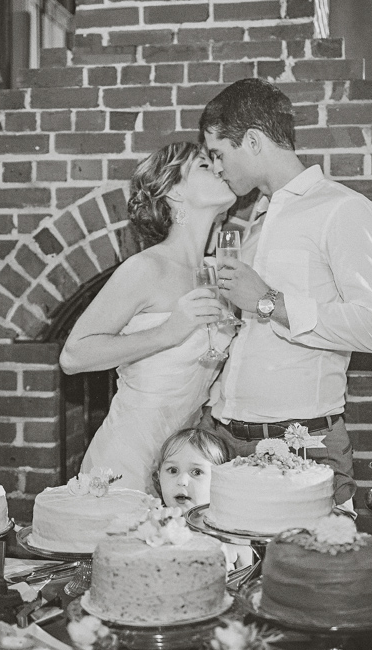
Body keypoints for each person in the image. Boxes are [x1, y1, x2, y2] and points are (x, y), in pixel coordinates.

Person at [198, 78, 372, 510]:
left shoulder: (343, 210)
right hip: (222, 442)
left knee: (311, 577)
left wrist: (269, 302)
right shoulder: (251, 225)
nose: (216, 167)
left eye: (219, 153)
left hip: (304, 446)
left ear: (252, 140)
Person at [60, 142, 237, 495]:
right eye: (204, 165)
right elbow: (73, 357)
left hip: (179, 466)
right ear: (173, 191)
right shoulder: (146, 268)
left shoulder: (215, 272)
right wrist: (167, 332)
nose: (218, 170)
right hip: (124, 462)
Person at [154, 427, 254, 571]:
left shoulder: (230, 532)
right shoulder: (151, 523)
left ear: (220, 481)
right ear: (158, 476)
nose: (182, 481)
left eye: (196, 472)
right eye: (173, 470)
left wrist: (241, 554)